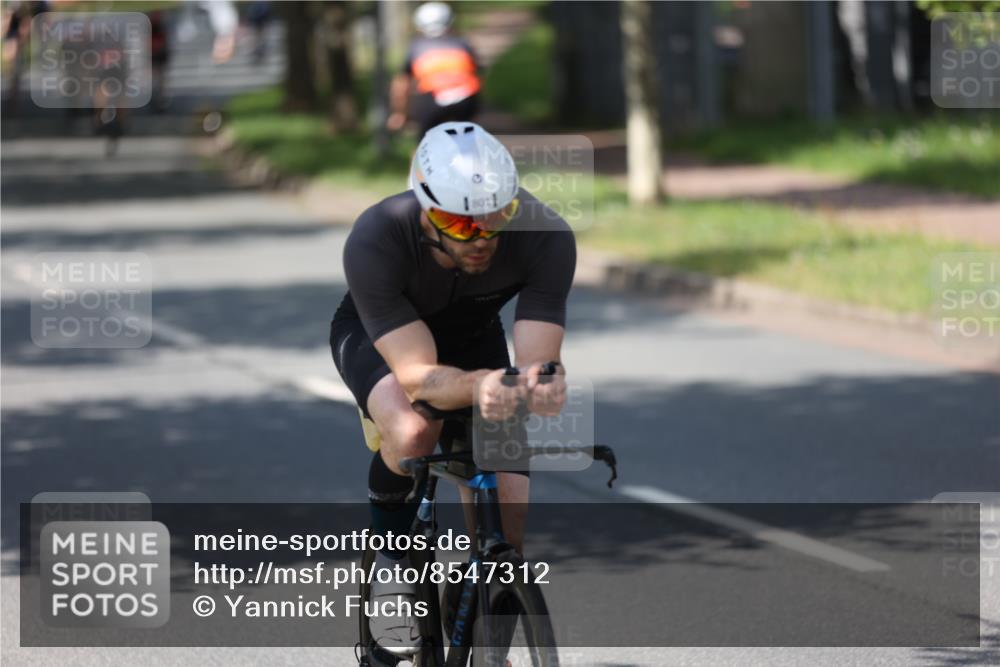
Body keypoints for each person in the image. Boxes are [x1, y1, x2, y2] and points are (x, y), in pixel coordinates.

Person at [329, 122, 575, 656]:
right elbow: (417, 376)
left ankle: (482, 625)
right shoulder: (378, 236)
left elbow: (537, 359)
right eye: (457, 223)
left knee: (508, 522)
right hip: (382, 340)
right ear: (425, 209)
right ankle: (392, 560)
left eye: (495, 218)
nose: (479, 238)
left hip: (474, 342)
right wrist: (481, 385)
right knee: (415, 430)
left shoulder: (546, 235)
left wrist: (542, 382)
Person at [387, 2, 481, 138]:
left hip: (432, 98)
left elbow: (402, 84)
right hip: (467, 98)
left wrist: (399, 114)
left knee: (425, 142)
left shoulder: (416, 46)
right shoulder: (461, 43)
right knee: (467, 136)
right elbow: (476, 72)